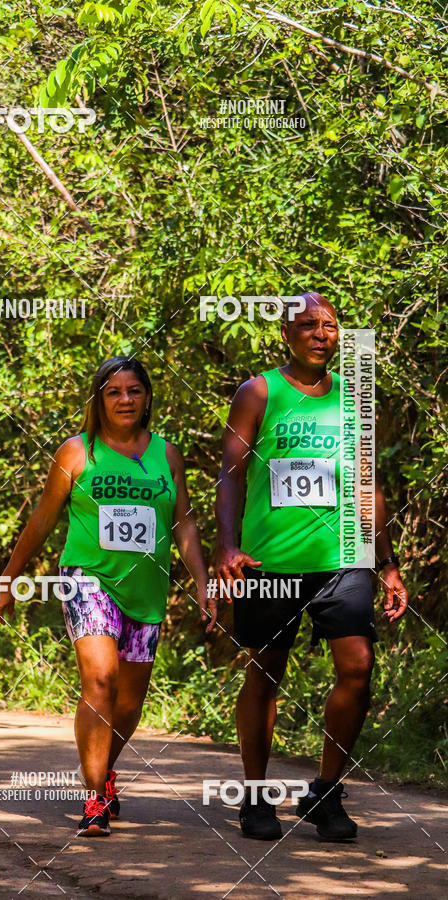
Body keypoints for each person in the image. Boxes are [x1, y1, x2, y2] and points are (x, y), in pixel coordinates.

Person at [0, 357, 214, 836]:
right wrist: (8, 577)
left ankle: (103, 770)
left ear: (147, 398)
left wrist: (201, 582)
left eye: (134, 391)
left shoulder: (167, 455)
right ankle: (93, 799)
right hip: (87, 578)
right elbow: (43, 519)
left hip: (146, 586)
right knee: (100, 679)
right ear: (99, 400)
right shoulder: (77, 452)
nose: (125, 400)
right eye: (114, 392)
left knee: (129, 703)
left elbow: (185, 523)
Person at [214, 293, 408, 841]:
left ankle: (325, 790)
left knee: (357, 666)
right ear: (285, 334)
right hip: (269, 561)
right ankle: (255, 798)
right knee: (266, 672)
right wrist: (227, 545)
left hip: (340, 560)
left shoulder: (353, 400)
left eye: (330, 327)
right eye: (307, 325)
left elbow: (368, 486)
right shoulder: (259, 392)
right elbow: (230, 474)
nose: (321, 335)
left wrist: (386, 562)